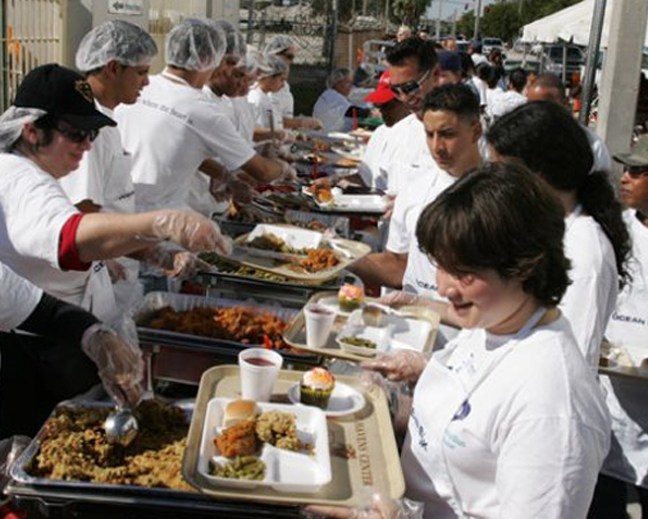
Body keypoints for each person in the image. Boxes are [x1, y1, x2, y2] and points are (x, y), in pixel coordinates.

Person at [313, 162, 611, 518]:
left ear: (524, 265)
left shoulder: (553, 408)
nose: (443, 288)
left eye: (464, 273)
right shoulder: (493, 322)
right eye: (441, 265)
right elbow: (460, 425)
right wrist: (385, 404)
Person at [0, 63, 229, 436]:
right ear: (31, 132)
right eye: (76, 134)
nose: (87, 145)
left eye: (91, 133)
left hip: (69, 330)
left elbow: (82, 231)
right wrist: (159, 223)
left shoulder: (34, 173)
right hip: (40, 353)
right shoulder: (20, 179)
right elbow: (70, 236)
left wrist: (151, 250)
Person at [486, 100, 630, 368]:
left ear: (539, 174)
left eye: (502, 172)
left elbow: (570, 361)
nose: (494, 184)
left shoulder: (585, 254)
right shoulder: (538, 230)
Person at [58, 20, 183, 309]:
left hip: (114, 275)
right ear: (113, 68)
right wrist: (111, 256)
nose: (147, 81)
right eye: (141, 72)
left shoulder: (106, 120)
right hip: (92, 284)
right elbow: (82, 213)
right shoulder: (89, 129)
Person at [588, 136, 648, 519]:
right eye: (626, 169)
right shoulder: (613, 230)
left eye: (639, 172)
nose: (625, 178)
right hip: (609, 402)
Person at [526, 73, 612, 173]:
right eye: (530, 106)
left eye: (545, 106)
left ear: (564, 103)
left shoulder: (591, 145)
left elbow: (602, 184)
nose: (536, 112)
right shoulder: (520, 140)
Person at [262, 35, 320, 130]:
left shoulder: (284, 85)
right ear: (275, 54)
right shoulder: (267, 85)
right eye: (289, 57)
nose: (291, 62)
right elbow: (267, 119)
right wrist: (300, 123)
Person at [312, 68, 371, 133]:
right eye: (347, 83)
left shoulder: (331, 95)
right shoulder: (331, 95)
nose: (350, 86)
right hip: (330, 136)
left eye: (351, 83)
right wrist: (370, 113)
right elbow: (351, 111)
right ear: (338, 83)